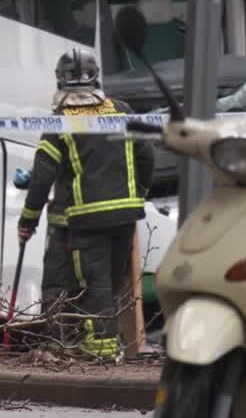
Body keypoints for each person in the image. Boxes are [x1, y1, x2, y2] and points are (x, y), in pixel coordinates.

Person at [18, 48, 155, 360]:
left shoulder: (61, 122)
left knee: (94, 285)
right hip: (124, 218)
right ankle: (103, 348)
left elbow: (41, 179)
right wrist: (139, 194)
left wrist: (27, 221)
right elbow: (147, 156)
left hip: (85, 221)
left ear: (59, 81)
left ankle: (101, 356)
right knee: (112, 280)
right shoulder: (121, 111)